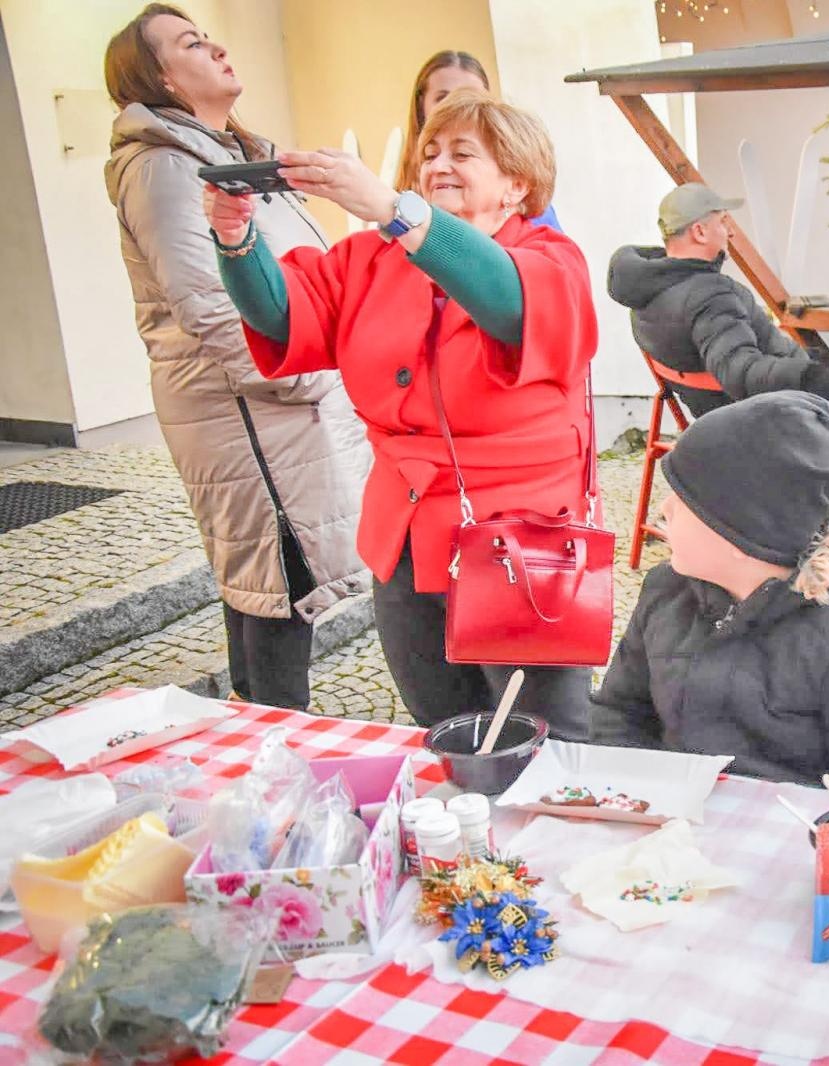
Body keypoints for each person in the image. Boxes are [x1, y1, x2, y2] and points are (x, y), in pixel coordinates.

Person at [203, 89, 598, 738]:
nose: (438, 163)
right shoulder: (370, 259)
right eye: (430, 152)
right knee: (443, 725)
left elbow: (507, 300)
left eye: (463, 153)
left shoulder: (552, 261)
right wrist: (235, 237)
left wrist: (394, 209)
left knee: (544, 733)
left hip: (520, 542)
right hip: (406, 535)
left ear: (516, 184)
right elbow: (282, 313)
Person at [104, 3, 370, 711]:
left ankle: (265, 742)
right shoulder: (162, 167)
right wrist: (314, 371)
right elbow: (209, 308)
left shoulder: (232, 152)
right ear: (156, 78)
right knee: (275, 584)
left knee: (274, 585)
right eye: (191, 42)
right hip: (249, 414)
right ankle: (274, 751)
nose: (217, 46)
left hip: (286, 405)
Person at [590, 391, 829, 802]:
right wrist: (639, 801)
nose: (664, 508)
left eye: (685, 499)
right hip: (666, 836)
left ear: (744, 534)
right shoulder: (666, 591)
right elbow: (618, 714)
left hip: (789, 848)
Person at [607, 183, 829, 421]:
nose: (730, 231)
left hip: (722, 417)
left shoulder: (650, 291)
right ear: (699, 231)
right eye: (723, 221)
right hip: (779, 417)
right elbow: (739, 371)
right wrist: (811, 378)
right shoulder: (711, 296)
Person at [398, 51, 560, 232]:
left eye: (462, 154)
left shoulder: (544, 243)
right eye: (430, 156)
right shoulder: (399, 203)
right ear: (421, 108)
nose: (457, 106)